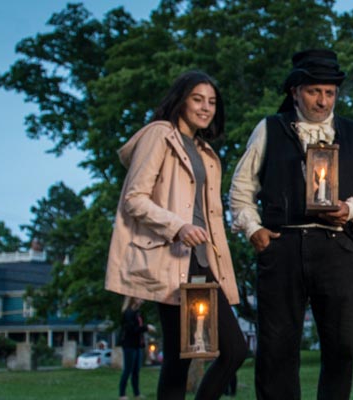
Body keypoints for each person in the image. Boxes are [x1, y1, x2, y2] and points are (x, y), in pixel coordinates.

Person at [229, 49, 353, 400]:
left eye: (329, 93)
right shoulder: (269, 128)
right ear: (295, 91)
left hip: (336, 246)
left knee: (341, 344)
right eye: (315, 91)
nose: (323, 100)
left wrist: (349, 209)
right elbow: (241, 188)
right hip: (281, 246)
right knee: (276, 347)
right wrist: (253, 228)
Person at [105, 70, 248, 400]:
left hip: (201, 261)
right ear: (180, 100)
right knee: (180, 358)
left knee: (234, 350)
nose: (205, 108)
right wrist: (178, 227)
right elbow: (134, 198)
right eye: (197, 99)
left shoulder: (205, 151)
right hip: (170, 260)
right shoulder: (159, 135)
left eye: (211, 102)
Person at [119, 297, 154, 400]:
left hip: (137, 345)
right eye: (140, 298)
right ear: (134, 299)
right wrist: (146, 328)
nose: (143, 299)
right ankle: (122, 394)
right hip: (129, 345)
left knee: (136, 370)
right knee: (128, 369)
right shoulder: (128, 313)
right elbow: (131, 329)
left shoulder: (137, 313)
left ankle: (136, 393)